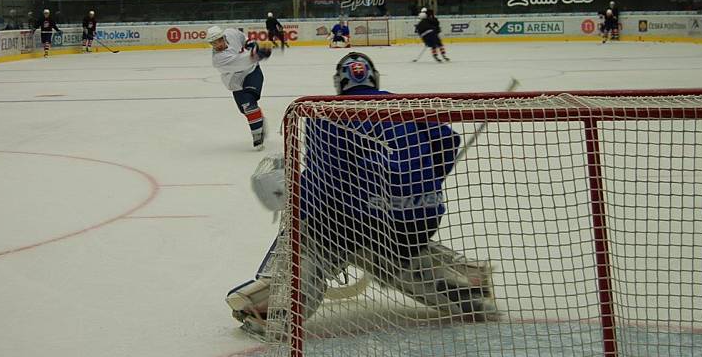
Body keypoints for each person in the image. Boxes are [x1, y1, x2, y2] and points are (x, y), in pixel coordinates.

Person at [226, 52, 496, 336]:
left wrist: (296, 200)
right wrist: (423, 183)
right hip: (420, 218)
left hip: (357, 219)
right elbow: (448, 141)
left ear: (340, 83)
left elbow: (327, 179)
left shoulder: (326, 112)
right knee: (395, 255)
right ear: (374, 78)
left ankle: (278, 312)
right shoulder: (408, 106)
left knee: (313, 241)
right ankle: (466, 286)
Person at [206, 25, 272, 150]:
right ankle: (259, 120)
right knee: (245, 110)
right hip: (236, 82)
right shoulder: (218, 59)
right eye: (214, 43)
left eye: (219, 40)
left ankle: (257, 135)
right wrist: (256, 54)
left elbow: (243, 38)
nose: (218, 44)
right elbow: (240, 62)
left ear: (223, 36)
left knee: (249, 104)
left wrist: (251, 44)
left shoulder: (231, 33)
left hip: (252, 72)